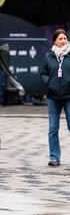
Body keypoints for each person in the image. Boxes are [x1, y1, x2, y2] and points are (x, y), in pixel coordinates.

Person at [40, 29, 70, 166]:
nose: (63, 41)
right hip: (53, 97)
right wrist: (49, 82)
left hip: (68, 96)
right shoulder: (48, 57)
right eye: (60, 39)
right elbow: (43, 73)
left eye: (65, 38)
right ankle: (54, 157)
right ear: (54, 42)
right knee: (53, 128)